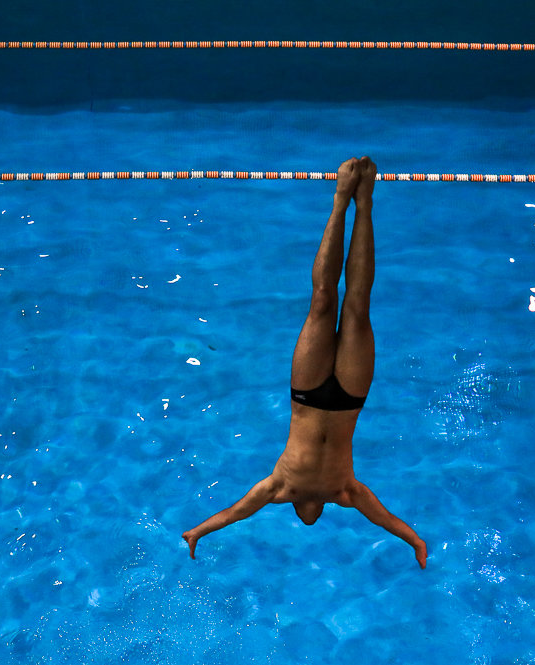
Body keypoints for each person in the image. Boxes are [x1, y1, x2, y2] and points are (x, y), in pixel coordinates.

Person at [182, 157, 427, 569]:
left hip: (309, 396)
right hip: (349, 397)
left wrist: (199, 531)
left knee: (322, 301)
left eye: (303, 518)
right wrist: (415, 541)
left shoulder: (280, 489)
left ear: (295, 509)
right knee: (357, 308)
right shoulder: (345, 494)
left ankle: (339, 201)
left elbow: (235, 512)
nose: (309, 517)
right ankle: (364, 201)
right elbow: (386, 520)